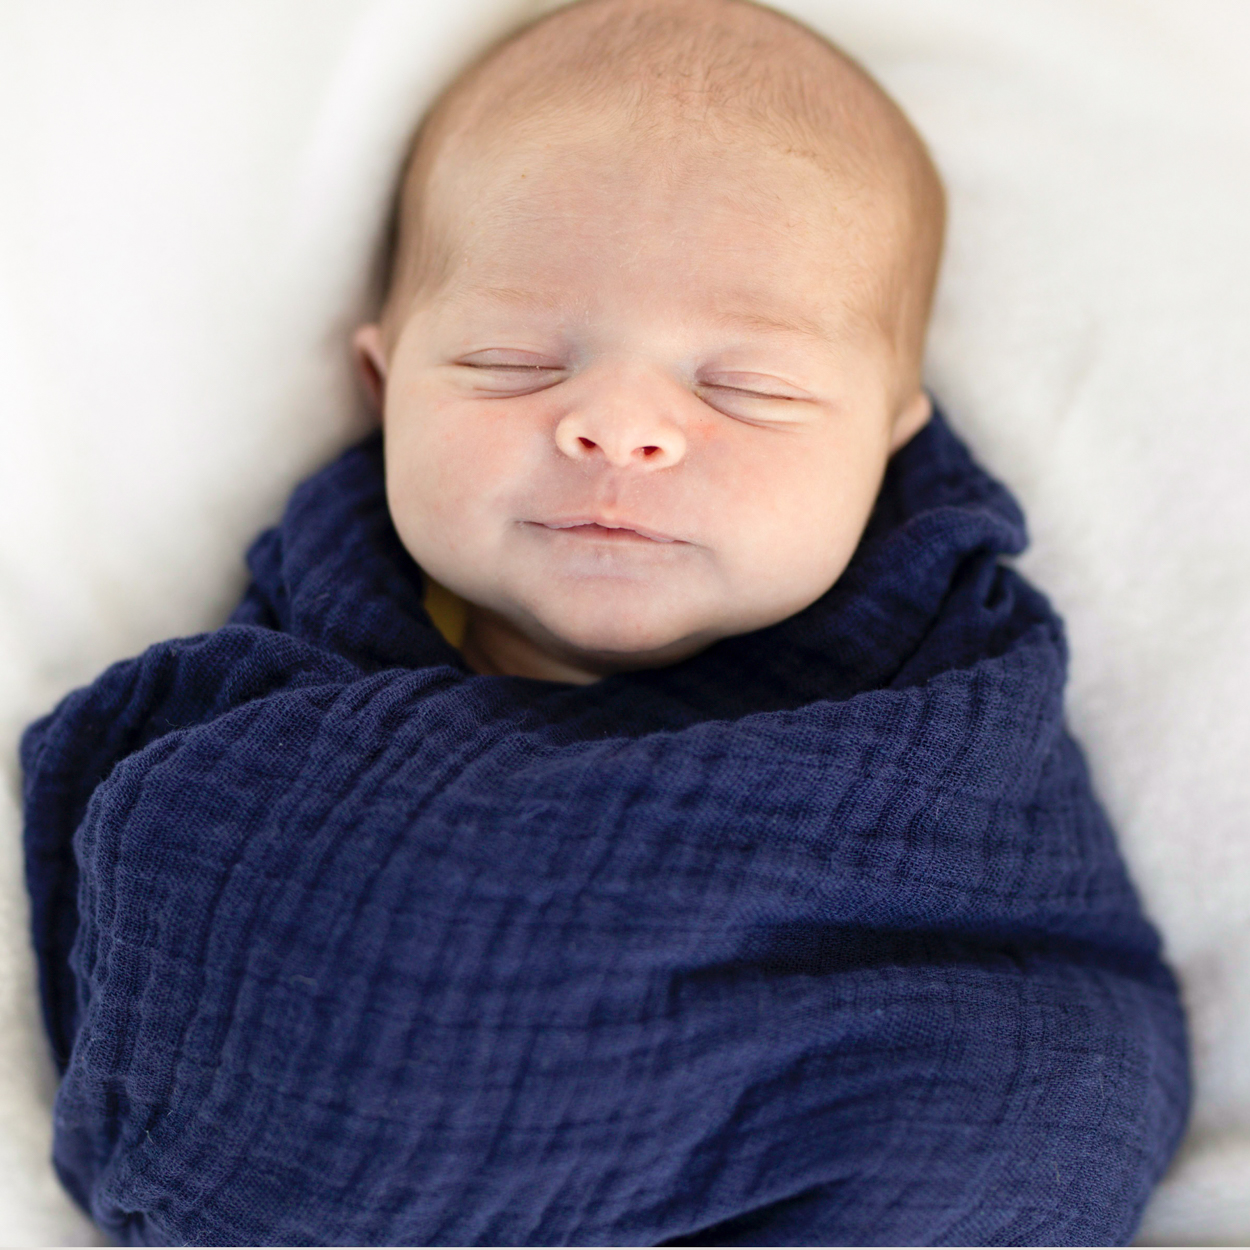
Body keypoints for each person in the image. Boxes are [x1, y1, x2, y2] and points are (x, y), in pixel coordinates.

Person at [21, 0, 1188, 1244]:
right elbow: (214, 919)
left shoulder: (942, 708)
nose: (620, 424)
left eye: (744, 385)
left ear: (886, 446)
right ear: (383, 386)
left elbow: (1059, 1051)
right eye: (516, 360)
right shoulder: (289, 705)